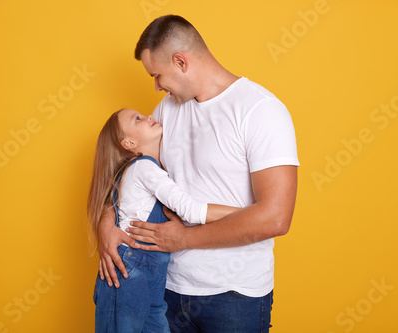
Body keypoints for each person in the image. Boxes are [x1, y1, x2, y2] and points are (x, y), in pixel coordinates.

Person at [97, 15, 299, 332]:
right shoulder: (167, 109)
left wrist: (185, 238)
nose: (156, 86)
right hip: (166, 291)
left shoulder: (260, 111)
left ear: (181, 61)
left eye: (157, 75)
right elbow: (132, 175)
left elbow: (275, 218)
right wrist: (105, 223)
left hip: (235, 296)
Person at [87, 108, 240, 332]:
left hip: (152, 276)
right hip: (128, 273)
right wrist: (247, 212)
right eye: (137, 119)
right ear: (128, 143)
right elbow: (192, 210)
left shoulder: (145, 169)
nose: (148, 117)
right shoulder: (144, 169)